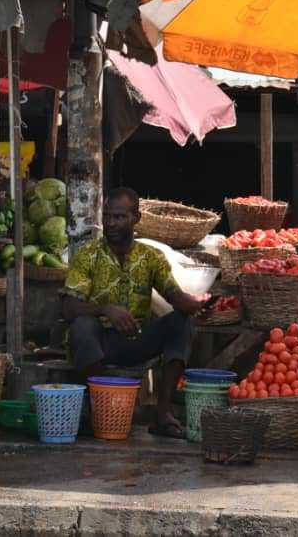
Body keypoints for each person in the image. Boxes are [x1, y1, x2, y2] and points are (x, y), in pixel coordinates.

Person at [61, 187, 206, 439]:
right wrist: (105, 310)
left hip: (138, 339)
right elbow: (69, 308)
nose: (111, 223)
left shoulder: (151, 257)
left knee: (180, 323)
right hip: (101, 343)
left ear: (136, 218)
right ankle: (101, 411)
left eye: (119, 217)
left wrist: (201, 302)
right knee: (82, 326)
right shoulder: (88, 255)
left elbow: (175, 297)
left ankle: (162, 414)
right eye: (107, 217)